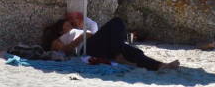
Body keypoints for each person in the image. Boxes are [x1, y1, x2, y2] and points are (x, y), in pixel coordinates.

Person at [46, 17, 179, 71]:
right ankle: (118, 55)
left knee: (133, 52)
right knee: (117, 21)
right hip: (87, 48)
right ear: (60, 30)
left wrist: (84, 31)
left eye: (71, 24)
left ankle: (160, 65)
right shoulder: (58, 39)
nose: (70, 26)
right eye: (67, 25)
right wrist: (82, 37)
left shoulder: (78, 29)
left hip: (96, 45)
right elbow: (65, 50)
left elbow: (92, 27)